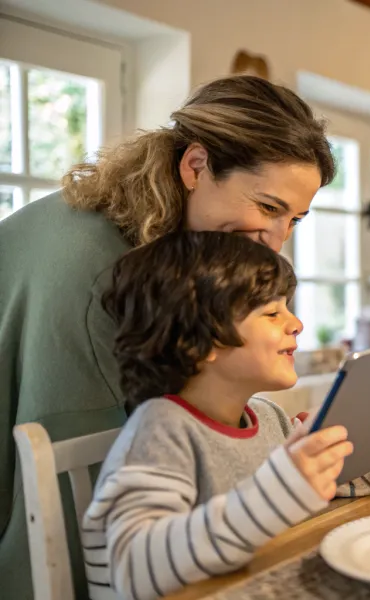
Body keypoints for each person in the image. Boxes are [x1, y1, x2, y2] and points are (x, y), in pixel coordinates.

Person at [0, 75, 336, 599]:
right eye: (269, 208)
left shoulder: (162, 244)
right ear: (196, 166)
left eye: (294, 219)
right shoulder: (95, 276)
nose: (277, 242)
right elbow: (65, 491)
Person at [83, 231, 370, 600]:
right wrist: (277, 489)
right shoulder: (160, 431)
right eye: (271, 312)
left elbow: (322, 490)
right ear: (198, 342)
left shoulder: (267, 418)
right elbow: (133, 570)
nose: (296, 323)